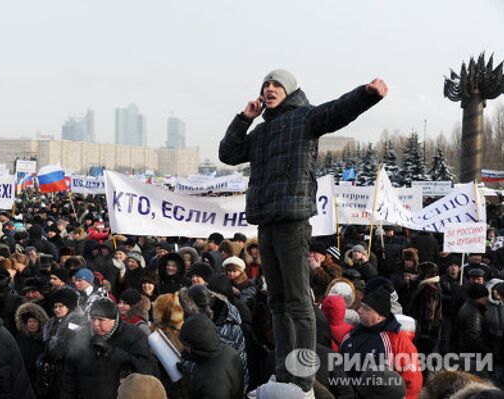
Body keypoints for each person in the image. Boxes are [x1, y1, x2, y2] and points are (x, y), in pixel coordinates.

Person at [219, 68, 387, 394]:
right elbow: (228, 153)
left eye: (276, 84)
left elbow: (338, 110)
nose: (269, 88)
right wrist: (244, 118)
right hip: (266, 223)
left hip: (293, 223)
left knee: (298, 304)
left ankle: (303, 376)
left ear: (290, 90)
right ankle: (285, 371)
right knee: (277, 303)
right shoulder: (261, 133)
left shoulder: (305, 118)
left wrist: (366, 94)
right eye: (265, 84)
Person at [61, 298, 158, 399]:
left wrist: (111, 352)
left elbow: (146, 368)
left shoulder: (133, 335)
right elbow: (69, 376)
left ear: (113, 320)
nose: (95, 324)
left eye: (101, 320)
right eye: (93, 318)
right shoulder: (82, 334)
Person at [340, 286, 423, 398]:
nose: (359, 311)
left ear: (380, 316)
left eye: (366, 309)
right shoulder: (351, 334)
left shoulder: (398, 341)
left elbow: (413, 382)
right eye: (361, 306)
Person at [178, 313, 244, 399]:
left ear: (198, 345)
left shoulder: (213, 383)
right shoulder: (228, 350)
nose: (184, 347)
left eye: (187, 345)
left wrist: (186, 388)